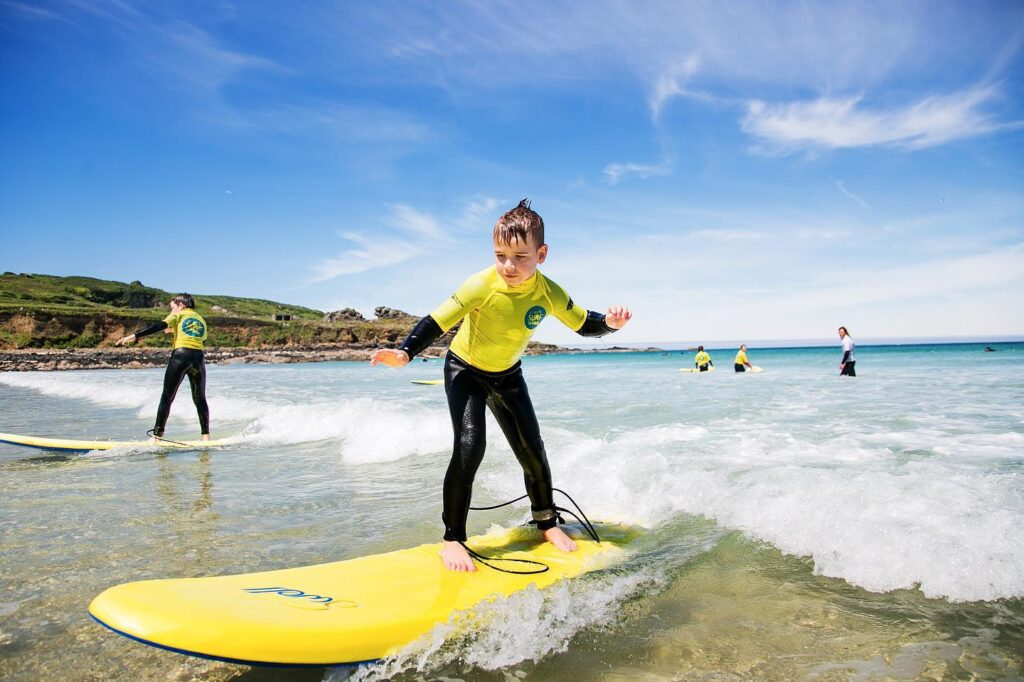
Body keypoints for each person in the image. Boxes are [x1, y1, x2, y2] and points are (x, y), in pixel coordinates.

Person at [371, 199, 631, 572]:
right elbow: (437, 319)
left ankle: (546, 522)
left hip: (508, 374)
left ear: (541, 254)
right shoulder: (481, 284)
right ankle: (453, 538)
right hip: (465, 371)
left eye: (520, 256)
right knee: (470, 445)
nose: (509, 266)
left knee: (532, 449)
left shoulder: (549, 292)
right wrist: (406, 352)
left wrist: (610, 323)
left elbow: (583, 323)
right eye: (500, 255)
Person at [117, 294, 210, 441]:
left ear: (181, 305)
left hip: (181, 356)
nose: (171, 311)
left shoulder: (178, 314)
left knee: (167, 397)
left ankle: (157, 436)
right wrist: (175, 331)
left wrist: (134, 336)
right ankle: (205, 436)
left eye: (172, 307)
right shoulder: (200, 319)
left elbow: (158, 326)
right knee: (200, 398)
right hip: (198, 359)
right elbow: (199, 337)